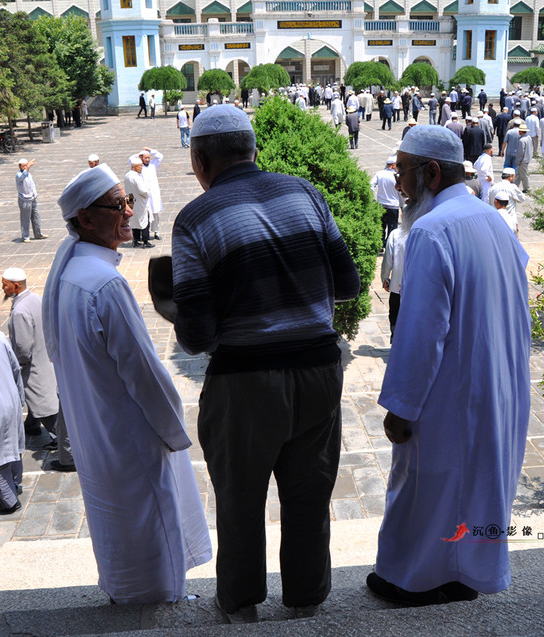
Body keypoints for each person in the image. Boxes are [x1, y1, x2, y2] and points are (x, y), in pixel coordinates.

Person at [171, 105, 360, 623]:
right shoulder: (307, 193)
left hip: (245, 384)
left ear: (200, 158)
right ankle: (305, 602)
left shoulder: (195, 218)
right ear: (253, 150)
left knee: (239, 499)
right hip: (320, 373)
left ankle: (240, 605)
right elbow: (348, 286)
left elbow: (197, 335)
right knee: (308, 494)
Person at [367, 124, 531, 607]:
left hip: (449, 395)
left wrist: (400, 406)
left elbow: (420, 333)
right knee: (475, 487)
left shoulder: (432, 230)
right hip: (496, 384)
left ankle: (413, 582)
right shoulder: (492, 221)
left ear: (431, 173)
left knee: (428, 490)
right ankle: (466, 574)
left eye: (402, 171)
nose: (397, 182)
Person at [41, 163, 212, 604]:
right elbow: (144, 373)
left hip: (98, 433)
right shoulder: (104, 285)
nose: (130, 212)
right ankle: (156, 602)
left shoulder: (71, 275)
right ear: (85, 218)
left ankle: (128, 593)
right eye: (118, 205)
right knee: (150, 526)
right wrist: (174, 430)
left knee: (117, 524)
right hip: (131, 436)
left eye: (129, 201)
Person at [2, 268, 59, 442]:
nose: (3, 289)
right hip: (46, 357)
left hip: (34, 366)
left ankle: (61, 439)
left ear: (16, 286)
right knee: (42, 396)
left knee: (42, 403)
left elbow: (22, 347)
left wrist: (17, 365)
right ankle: (31, 425)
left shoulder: (20, 311)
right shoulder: (37, 299)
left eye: (5, 285)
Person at [0, 329, 25, 515]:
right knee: (12, 447)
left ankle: (9, 502)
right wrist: (19, 396)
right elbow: (15, 368)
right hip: (10, 399)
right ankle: (16, 482)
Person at [381, 226, 407, 343]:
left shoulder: (396, 234)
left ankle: (395, 343)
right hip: (419, 289)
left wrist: (385, 278)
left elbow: (388, 260)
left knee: (395, 316)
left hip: (397, 285)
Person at [125, 155, 154, 249]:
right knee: (144, 221)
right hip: (140, 202)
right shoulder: (136, 177)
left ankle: (135, 240)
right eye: (140, 166)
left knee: (134, 221)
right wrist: (148, 192)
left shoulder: (127, 175)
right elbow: (143, 191)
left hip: (131, 201)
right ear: (135, 167)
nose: (141, 168)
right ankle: (145, 241)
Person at [15, 159, 48, 244]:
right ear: (19, 166)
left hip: (32, 198)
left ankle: (38, 234)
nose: (25, 167)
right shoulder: (18, 175)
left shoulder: (29, 174)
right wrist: (28, 167)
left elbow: (32, 185)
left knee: (36, 217)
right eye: (23, 166)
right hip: (25, 200)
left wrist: (35, 194)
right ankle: (25, 236)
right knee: (25, 218)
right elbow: (23, 177)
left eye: (26, 165)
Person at [371, 155, 400, 243]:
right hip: (393, 205)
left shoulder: (379, 174)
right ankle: (389, 244)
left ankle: (381, 243)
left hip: (381, 204)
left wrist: (373, 199)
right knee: (392, 227)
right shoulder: (397, 176)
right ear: (393, 165)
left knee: (381, 226)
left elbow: (371, 186)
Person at [488, 167, 525, 236]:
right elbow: (522, 198)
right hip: (510, 220)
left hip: (495, 219)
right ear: (510, 176)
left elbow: (490, 201)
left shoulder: (494, 187)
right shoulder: (512, 187)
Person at [138, 148, 164, 241]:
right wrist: (139, 154)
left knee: (156, 212)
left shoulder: (153, 165)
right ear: (141, 158)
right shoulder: (139, 166)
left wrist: (150, 150)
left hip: (154, 193)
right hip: (145, 194)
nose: (147, 159)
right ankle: (145, 233)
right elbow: (130, 159)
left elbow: (160, 156)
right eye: (145, 158)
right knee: (145, 214)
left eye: (149, 157)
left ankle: (156, 231)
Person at [515, 123, 533, 193]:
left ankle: (526, 188)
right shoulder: (528, 137)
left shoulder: (522, 140)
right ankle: (515, 186)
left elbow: (520, 152)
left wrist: (518, 161)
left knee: (524, 175)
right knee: (518, 174)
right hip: (527, 158)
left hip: (523, 160)